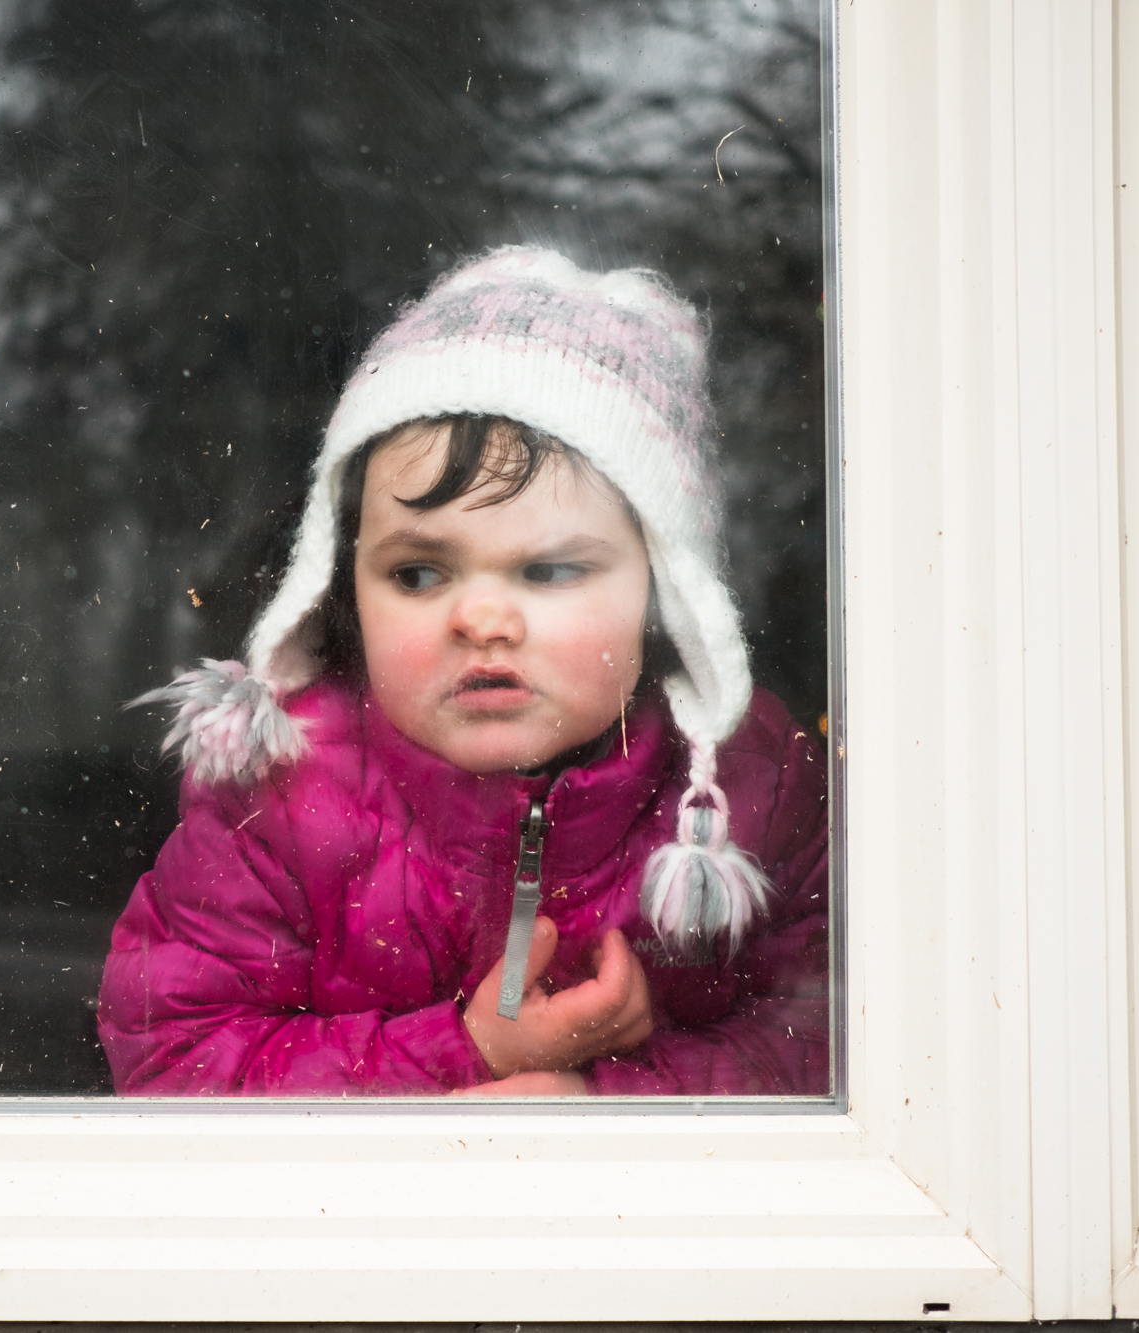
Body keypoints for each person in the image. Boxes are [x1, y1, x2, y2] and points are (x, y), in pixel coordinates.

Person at [98, 247, 829, 1097]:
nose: (480, 618)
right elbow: (171, 1060)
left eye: (549, 571)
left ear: (664, 593)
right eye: (418, 573)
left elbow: (844, 1045)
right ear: (345, 590)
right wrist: (471, 1051)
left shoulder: (753, 792)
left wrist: (608, 1102)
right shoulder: (283, 798)